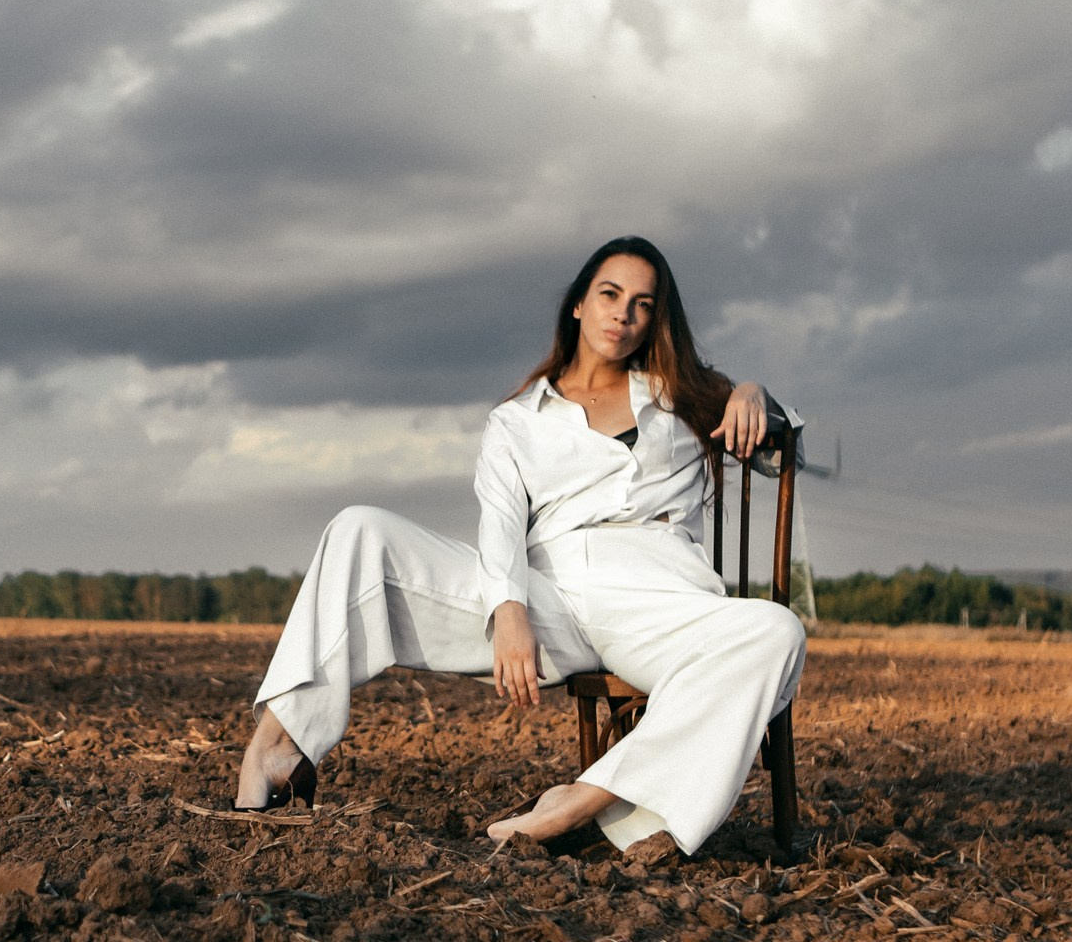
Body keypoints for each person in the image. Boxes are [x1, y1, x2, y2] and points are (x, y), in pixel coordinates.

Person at [231, 236, 806, 860]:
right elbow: (501, 524)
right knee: (359, 529)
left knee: (778, 631)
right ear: (579, 306)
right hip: (549, 593)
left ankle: (585, 799)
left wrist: (753, 393)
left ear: (655, 319)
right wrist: (510, 611)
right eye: (610, 295)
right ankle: (278, 744)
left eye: (642, 304)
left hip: (660, 598)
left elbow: (779, 446)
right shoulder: (519, 419)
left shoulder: (683, 395)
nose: (623, 314)